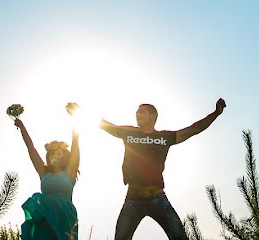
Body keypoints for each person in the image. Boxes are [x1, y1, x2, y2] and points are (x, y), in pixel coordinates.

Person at [100, 98, 227, 240]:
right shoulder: (128, 132)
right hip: (132, 199)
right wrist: (79, 111)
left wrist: (215, 113)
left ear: (153, 116)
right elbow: (105, 125)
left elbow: (193, 130)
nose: (137, 115)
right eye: (136, 113)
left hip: (158, 199)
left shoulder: (164, 137)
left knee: (179, 237)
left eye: (141, 112)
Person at [14, 103, 81, 240]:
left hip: (64, 216)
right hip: (43, 215)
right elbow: (31, 148)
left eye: (58, 153)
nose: (54, 156)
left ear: (65, 156)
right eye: (51, 154)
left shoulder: (70, 172)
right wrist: (22, 127)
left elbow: (75, 144)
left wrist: (75, 118)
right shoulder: (44, 173)